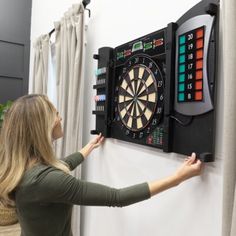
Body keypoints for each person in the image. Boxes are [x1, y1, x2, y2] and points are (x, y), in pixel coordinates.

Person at [0, 94, 202, 236]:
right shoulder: (45, 181)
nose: (60, 118)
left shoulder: (25, 166)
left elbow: (62, 164)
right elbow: (117, 197)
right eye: (55, 114)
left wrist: (88, 148)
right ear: (42, 127)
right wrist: (178, 178)